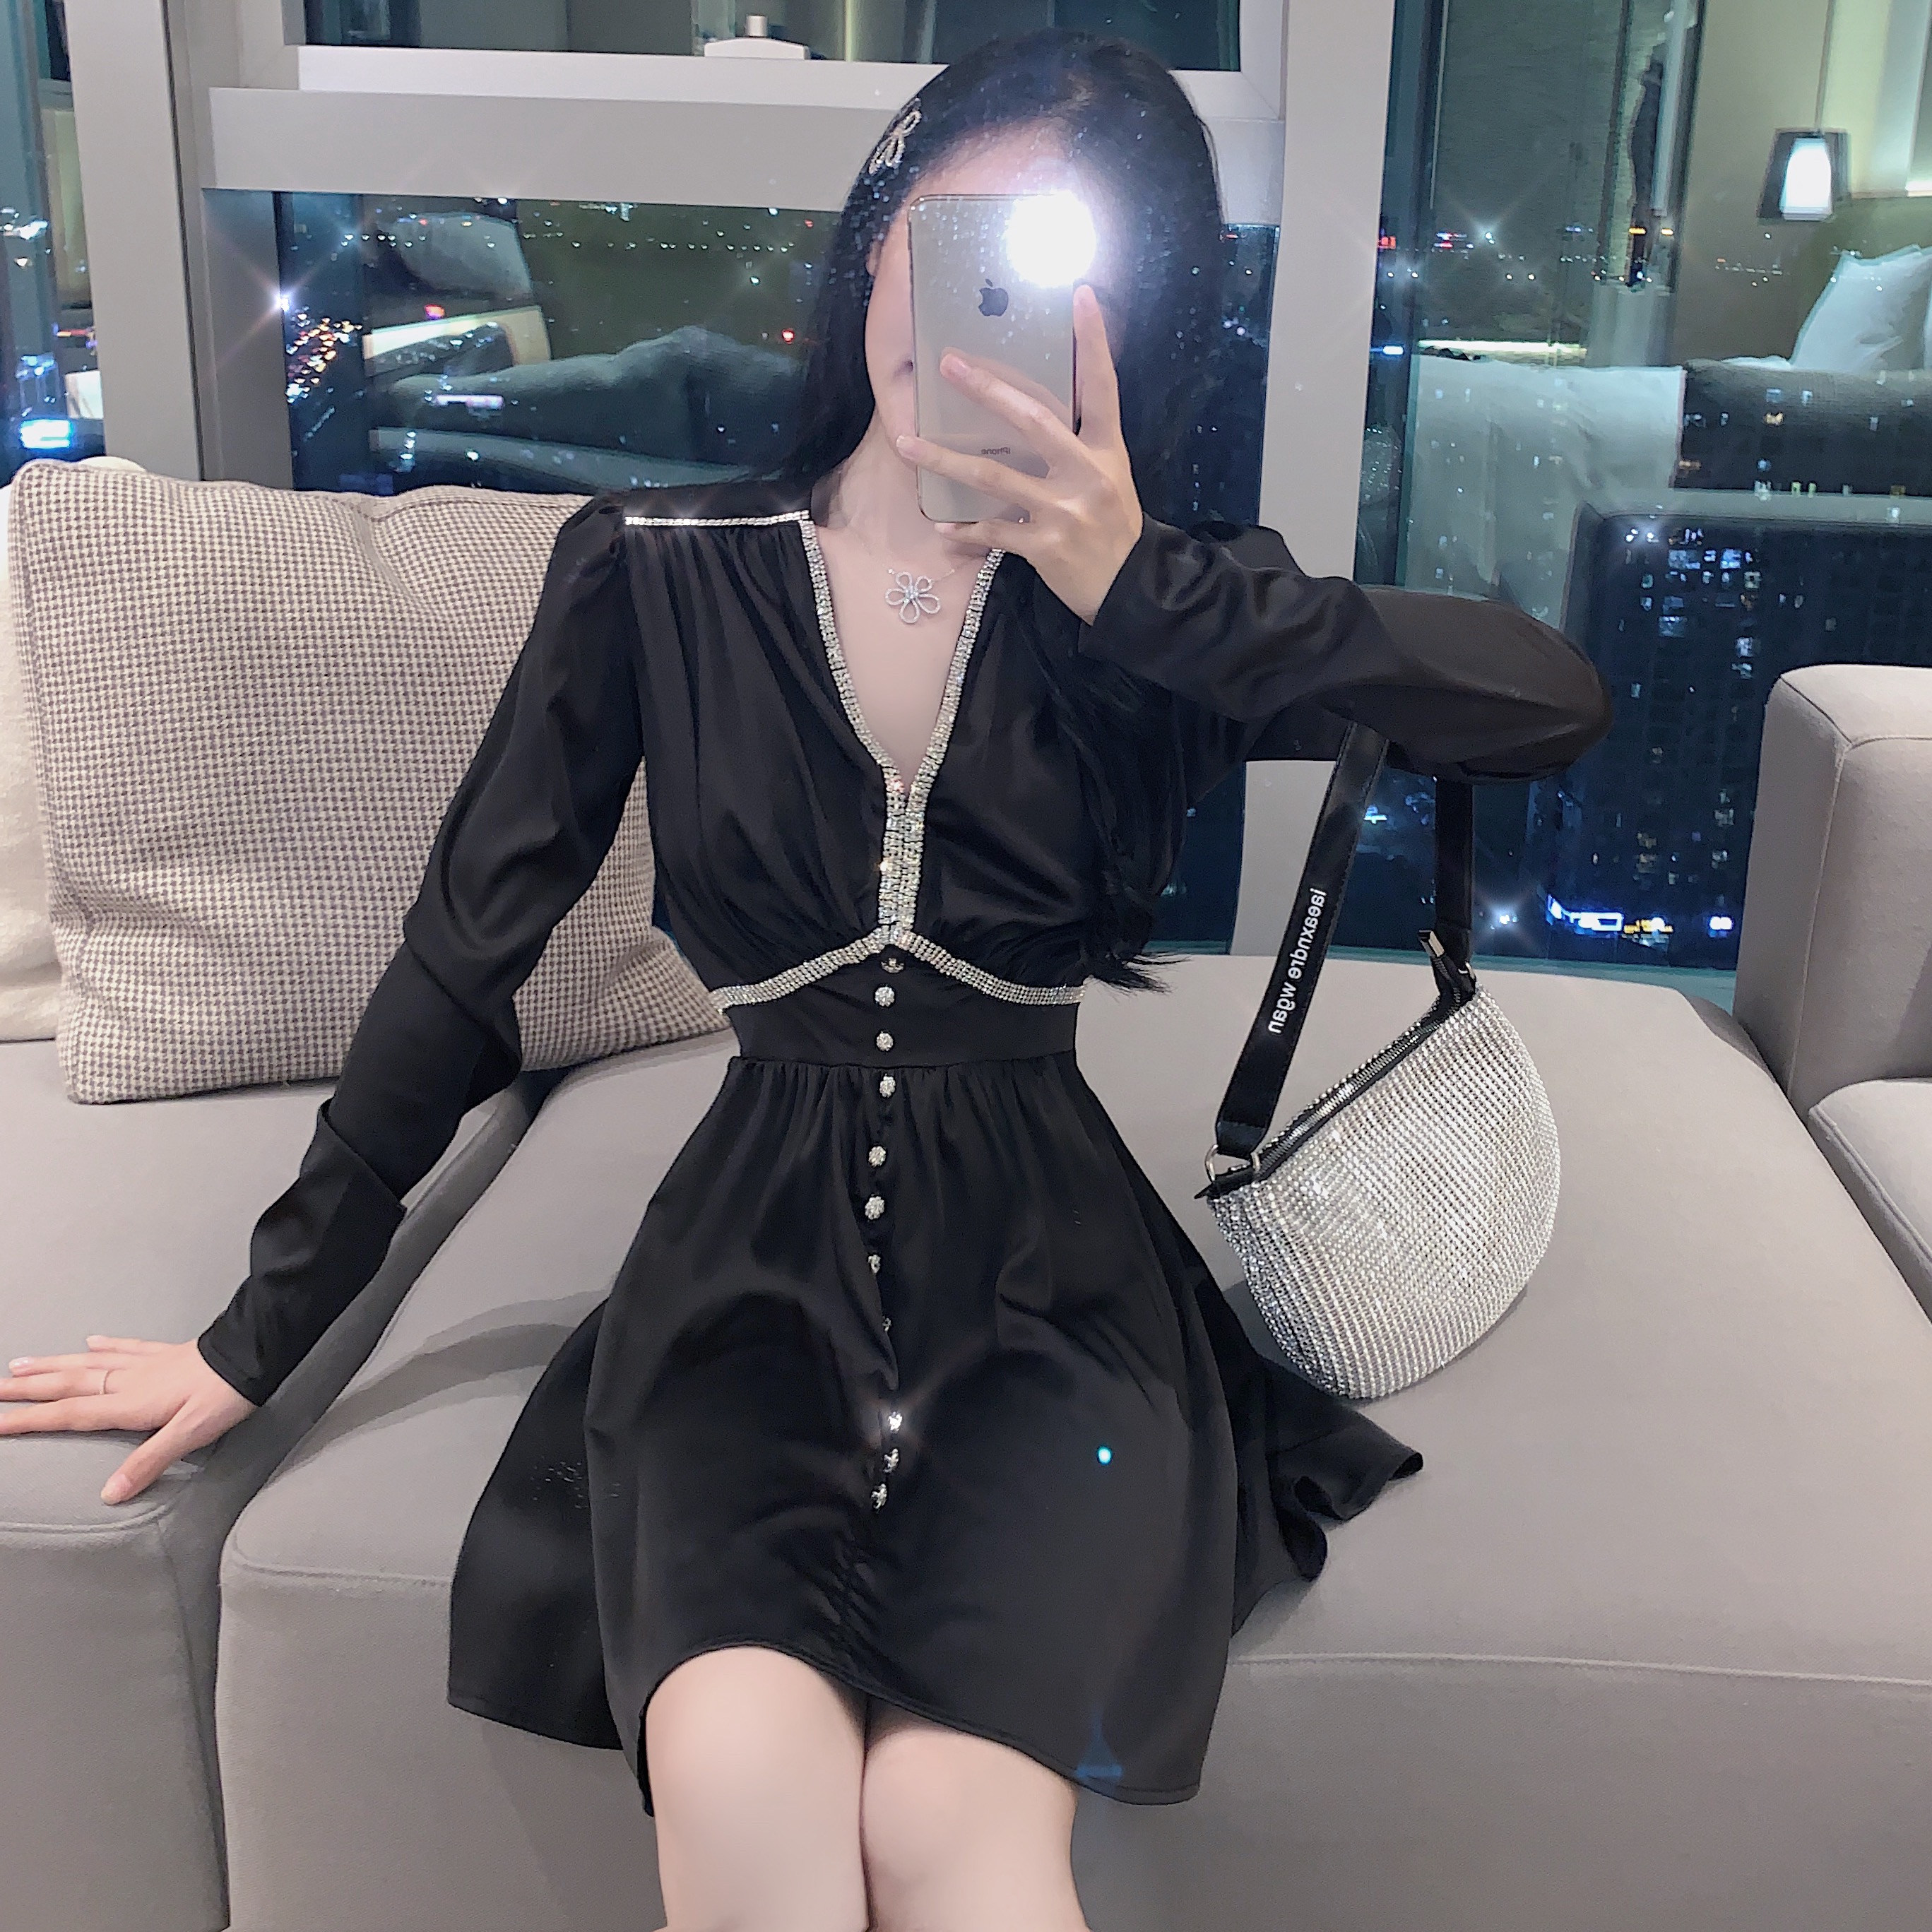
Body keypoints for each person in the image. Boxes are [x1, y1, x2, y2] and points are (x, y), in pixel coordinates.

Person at [0, 30, 1611, 1932]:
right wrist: (252, 1335)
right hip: (741, 1302)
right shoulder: (659, 573)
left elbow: (1546, 703)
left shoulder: (1164, 618)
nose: (978, 312)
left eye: (1056, 267)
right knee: (746, 1797)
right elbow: (463, 958)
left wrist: (1144, 587)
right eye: (953, 233)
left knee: (957, 1832)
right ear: (877, 243)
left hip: (1058, 1309)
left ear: (1132, 323)